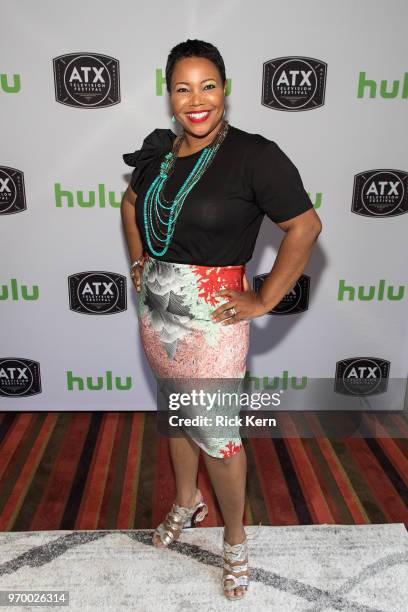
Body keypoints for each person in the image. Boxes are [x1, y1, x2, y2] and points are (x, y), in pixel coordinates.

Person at [121, 38, 322, 600]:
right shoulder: (159, 154)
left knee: (220, 437)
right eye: (183, 88)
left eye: (207, 85)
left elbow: (305, 228)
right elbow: (132, 204)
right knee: (177, 412)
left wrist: (262, 299)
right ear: (169, 96)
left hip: (213, 316)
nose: (196, 99)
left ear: (225, 88)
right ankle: (187, 502)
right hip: (158, 308)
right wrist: (140, 260)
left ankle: (235, 538)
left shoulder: (255, 155)